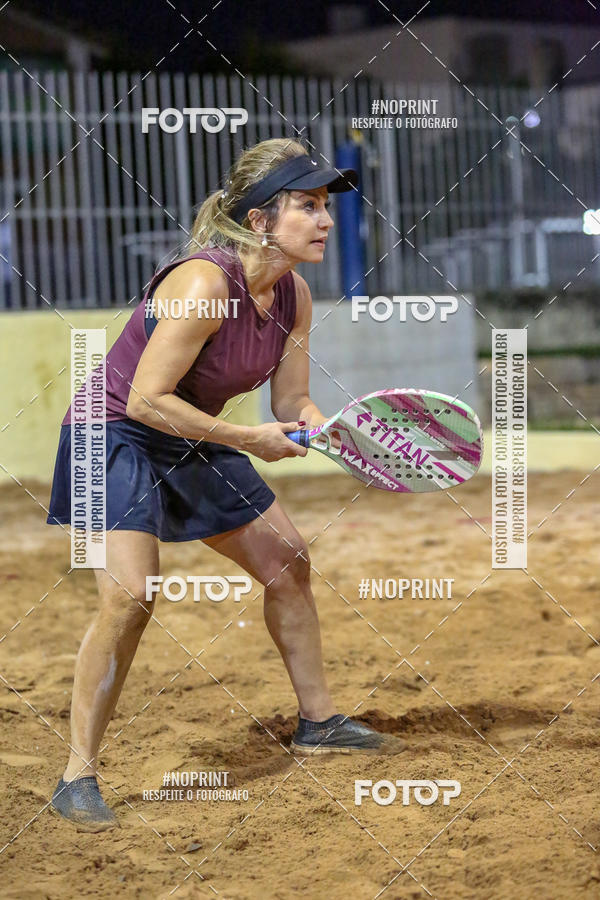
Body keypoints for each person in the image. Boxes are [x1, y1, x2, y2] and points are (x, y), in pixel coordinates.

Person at [46, 138, 403, 833]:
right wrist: (249, 442)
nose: (326, 220)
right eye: (308, 205)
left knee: (289, 561)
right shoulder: (204, 283)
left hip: (188, 433)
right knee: (130, 596)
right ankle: (75, 776)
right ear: (261, 219)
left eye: (326, 206)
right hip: (108, 434)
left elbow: (290, 400)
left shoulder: (294, 294)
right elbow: (147, 399)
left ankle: (319, 723)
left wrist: (320, 426)